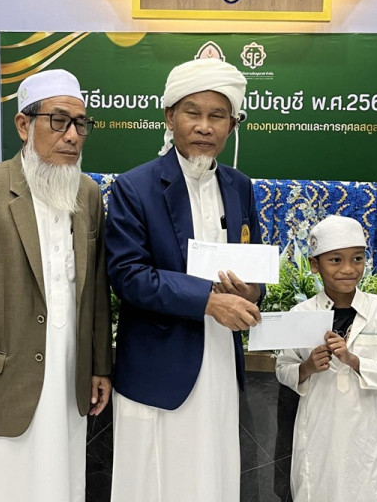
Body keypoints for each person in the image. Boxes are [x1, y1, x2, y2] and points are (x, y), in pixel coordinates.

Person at [0, 69, 112, 502]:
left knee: (60, 482)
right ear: (23, 124)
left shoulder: (88, 194)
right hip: (2, 385)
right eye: (59, 121)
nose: (72, 135)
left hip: (69, 376)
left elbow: (95, 291)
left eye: (80, 124)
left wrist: (99, 366)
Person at [105, 58, 265, 502]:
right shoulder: (134, 187)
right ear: (169, 117)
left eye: (218, 116)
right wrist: (208, 301)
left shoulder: (239, 186)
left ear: (233, 124)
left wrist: (252, 291)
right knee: (154, 483)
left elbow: (254, 265)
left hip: (219, 357)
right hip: (159, 364)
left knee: (212, 476)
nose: (204, 127)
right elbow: (128, 275)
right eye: (192, 113)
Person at [275, 215, 377, 502]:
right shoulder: (302, 314)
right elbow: (283, 369)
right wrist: (307, 367)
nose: (348, 269)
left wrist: (353, 360)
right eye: (336, 260)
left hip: (366, 428)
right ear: (315, 264)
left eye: (357, 259)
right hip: (319, 425)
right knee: (318, 486)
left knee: (369, 488)